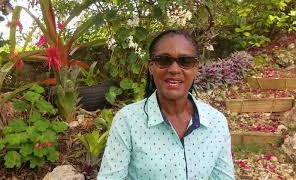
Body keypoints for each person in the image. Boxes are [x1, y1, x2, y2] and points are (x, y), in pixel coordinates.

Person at [97, 29, 235, 180]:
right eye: (164, 60)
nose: (174, 69)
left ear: (196, 68)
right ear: (151, 66)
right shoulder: (128, 121)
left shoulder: (216, 122)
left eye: (185, 61)